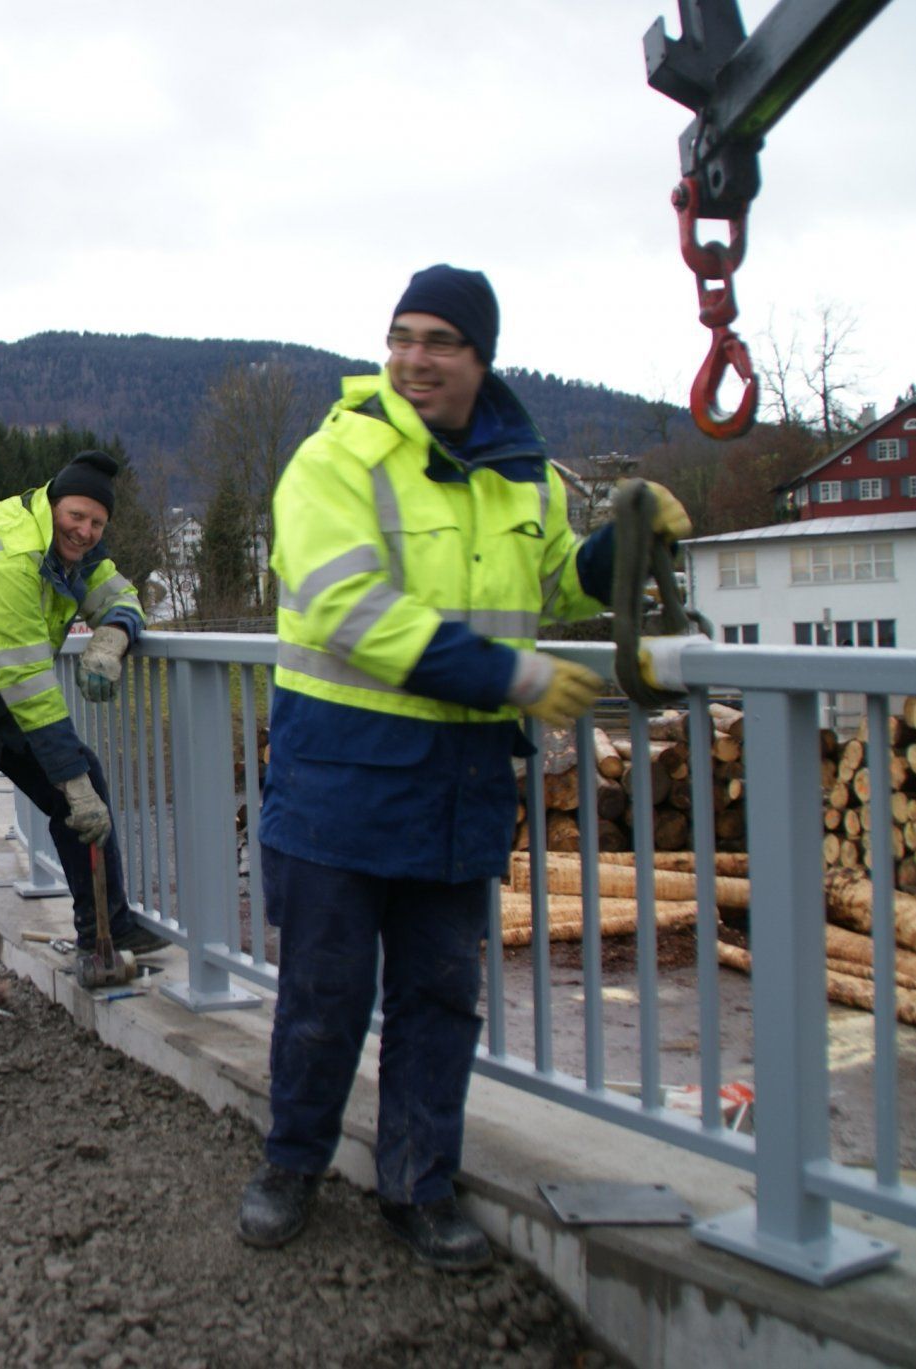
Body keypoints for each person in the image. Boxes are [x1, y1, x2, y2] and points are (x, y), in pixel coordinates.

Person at [236, 266, 691, 1267]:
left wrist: (621, 541)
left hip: (456, 783)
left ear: (481, 359)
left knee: (440, 998)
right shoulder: (335, 458)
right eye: (401, 336)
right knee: (324, 992)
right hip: (340, 776)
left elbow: (549, 574)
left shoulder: (517, 471)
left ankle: (416, 1184)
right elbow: (344, 611)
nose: (413, 358)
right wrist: (510, 679)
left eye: (440, 341)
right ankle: (291, 1165)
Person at [0, 449, 164, 1032]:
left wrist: (113, 636)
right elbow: (30, 690)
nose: (86, 531)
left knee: (83, 782)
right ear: (51, 504)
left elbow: (120, 594)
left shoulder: (76, 552)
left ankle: (106, 930)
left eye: (98, 524)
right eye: (77, 516)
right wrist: (70, 784)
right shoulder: (8, 560)